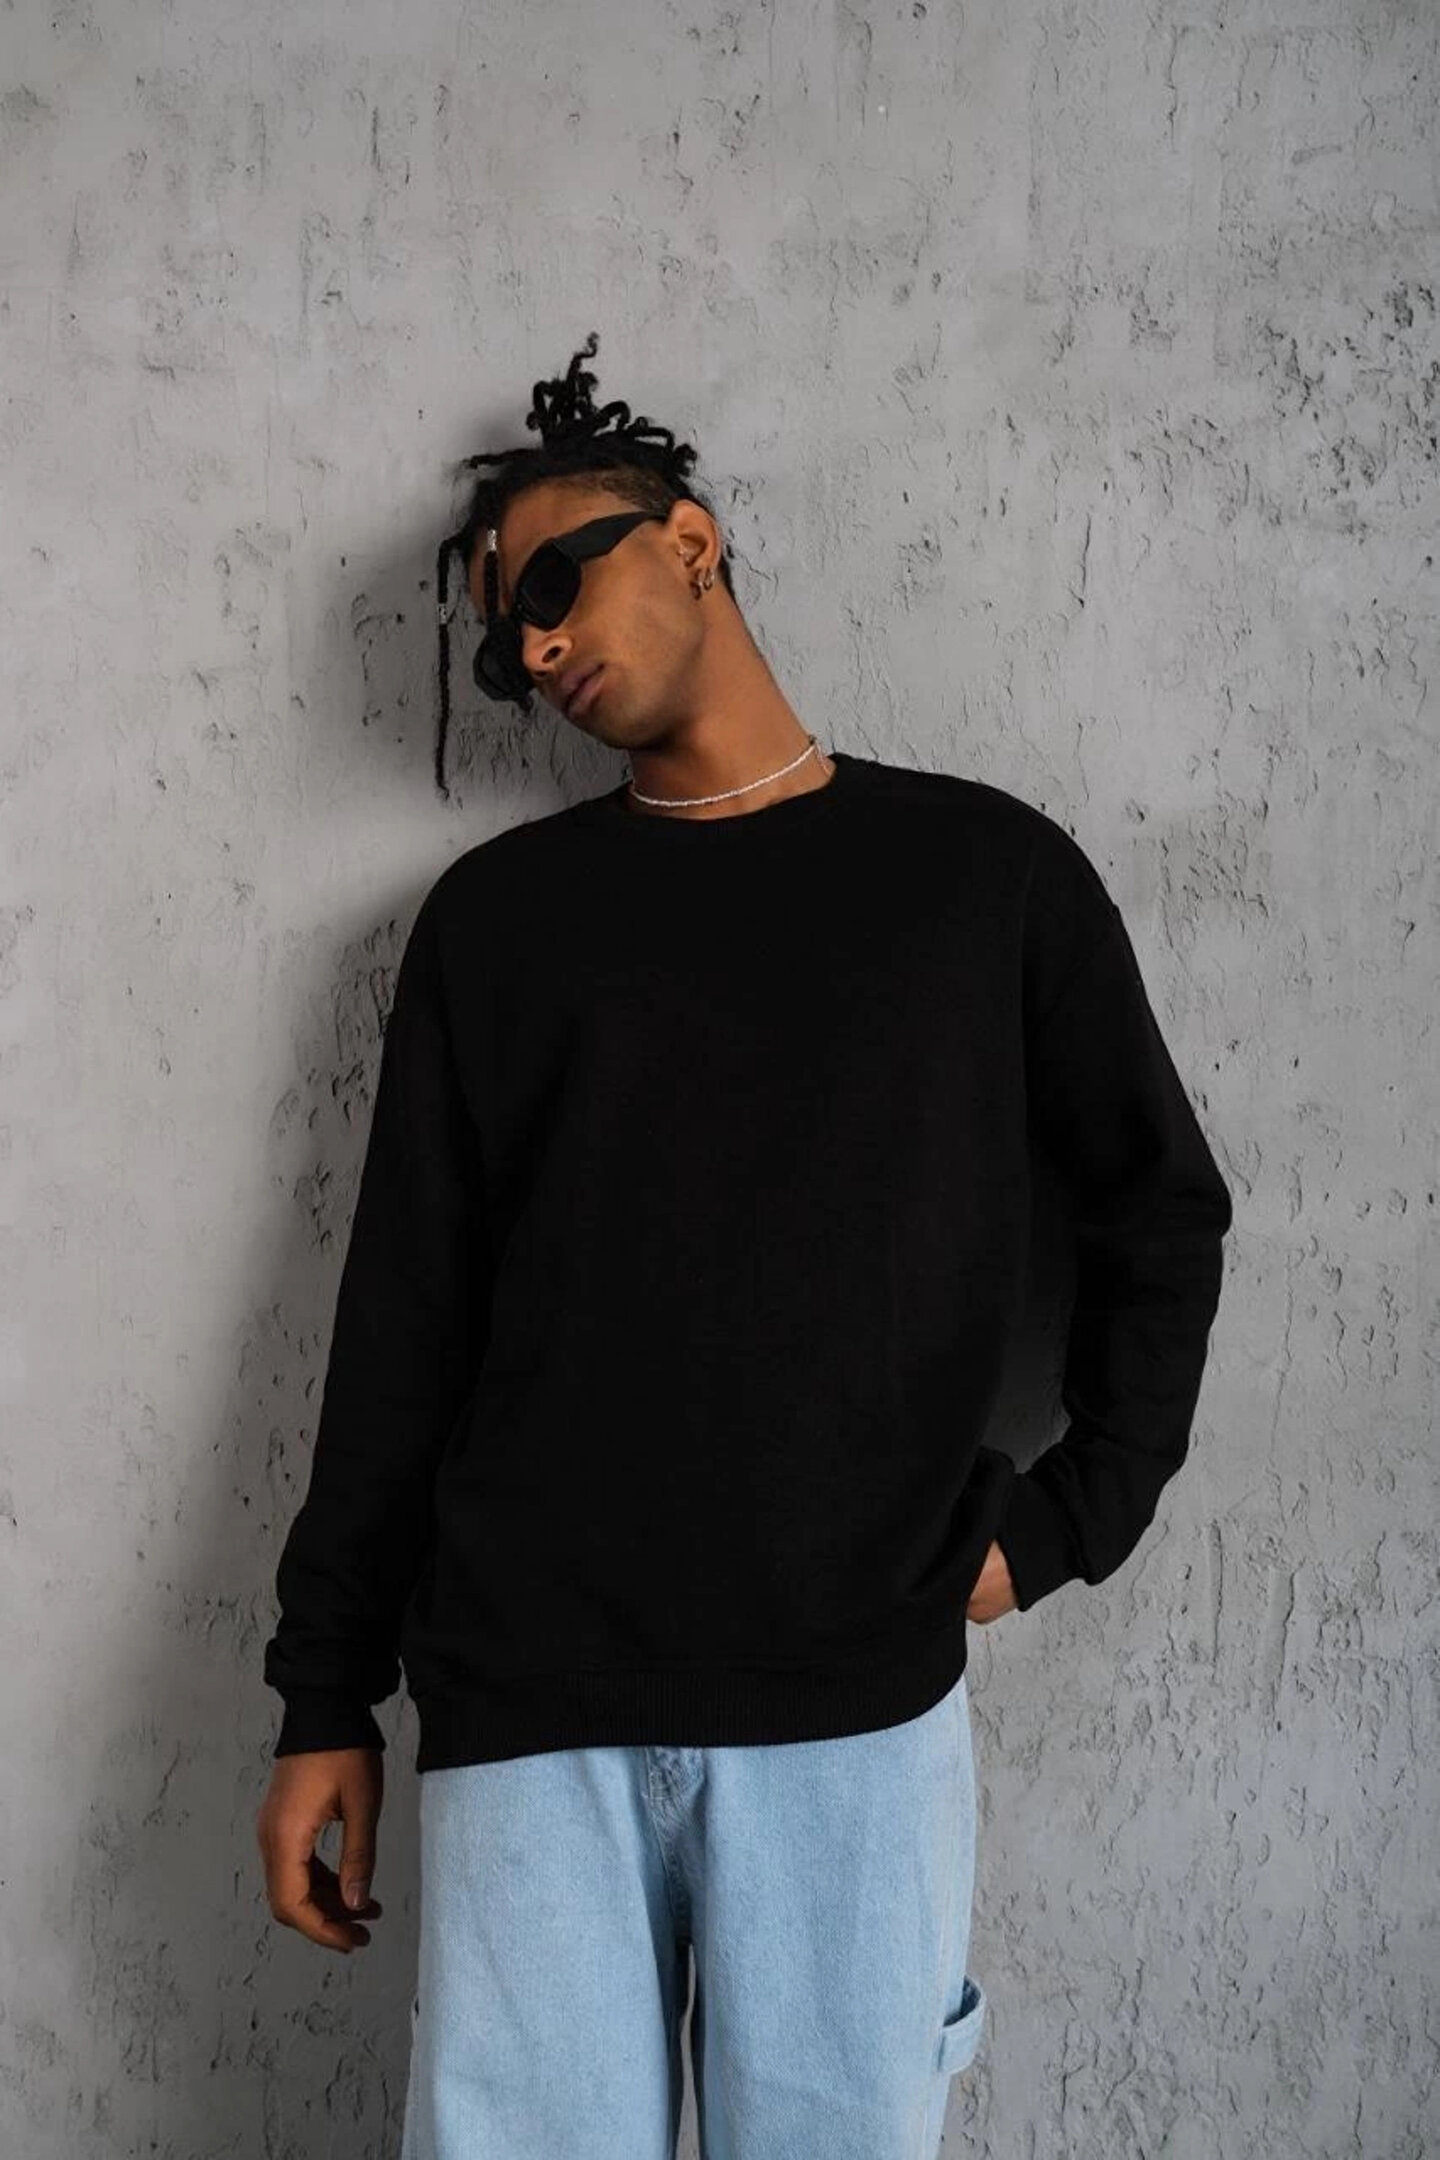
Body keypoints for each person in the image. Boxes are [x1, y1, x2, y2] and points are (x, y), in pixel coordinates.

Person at [255, 332, 1233, 2159]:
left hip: (855, 1695)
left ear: (690, 543)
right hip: (528, 1707)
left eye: (553, 584)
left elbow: (1161, 1209)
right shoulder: (499, 926)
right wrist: (327, 1695)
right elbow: (403, 1322)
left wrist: (1072, 1517)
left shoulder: (985, 878)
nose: (533, 648)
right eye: (501, 639)